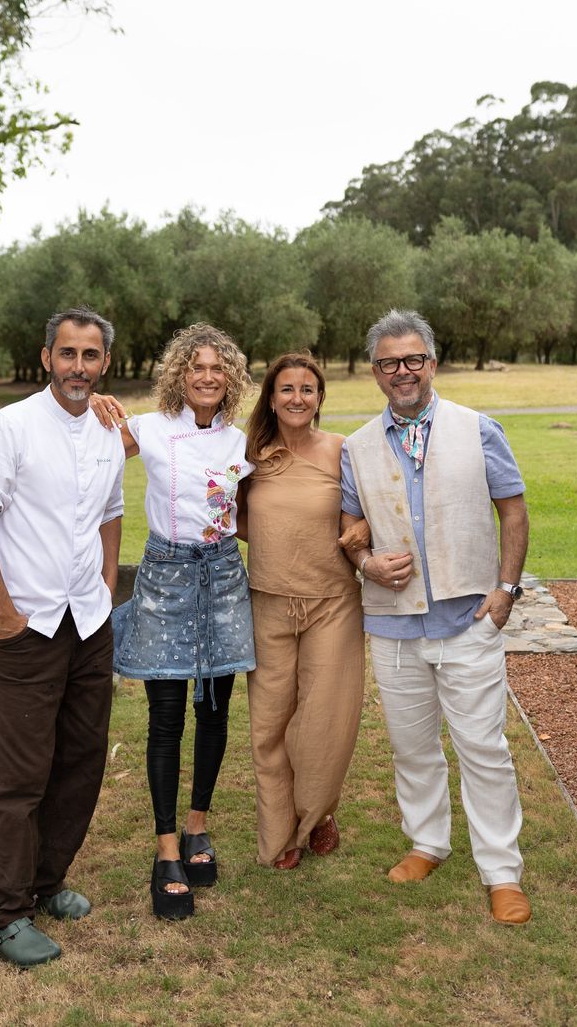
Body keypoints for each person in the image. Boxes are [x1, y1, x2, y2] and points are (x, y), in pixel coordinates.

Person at [339, 308, 531, 925]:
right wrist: (366, 561)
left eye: (414, 359)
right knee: (412, 748)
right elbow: (349, 529)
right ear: (375, 373)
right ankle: (428, 843)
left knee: (483, 748)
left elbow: (514, 511)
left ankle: (502, 871)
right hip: (394, 626)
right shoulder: (357, 446)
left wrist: (505, 589)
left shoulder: (478, 429)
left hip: (468, 619)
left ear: (432, 364)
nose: (404, 371)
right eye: (391, 362)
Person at [0, 307, 125, 967]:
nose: (78, 366)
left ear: (104, 362)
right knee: (16, 778)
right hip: (23, 631)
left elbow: (111, 510)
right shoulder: (10, 428)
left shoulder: (110, 428)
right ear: (46, 356)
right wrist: (2, 612)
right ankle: (4, 911)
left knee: (79, 763)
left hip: (88, 622)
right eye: (67, 354)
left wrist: (107, 584)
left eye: (90, 355)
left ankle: (47, 880)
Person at [92, 324, 255, 920]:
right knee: (166, 719)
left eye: (218, 368)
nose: (207, 377)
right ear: (179, 374)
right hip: (164, 577)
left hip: (223, 578)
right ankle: (165, 852)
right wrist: (95, 403)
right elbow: (85, 442)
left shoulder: (241, 440)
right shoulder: (150, 429)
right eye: (196, 367)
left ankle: (197, 828)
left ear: (230, 378)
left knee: (214, 713)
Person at [239, 353, 368, 870]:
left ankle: (315, 815)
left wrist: (359, 533)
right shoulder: (251, 454)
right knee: (269, 725)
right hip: (267, 602)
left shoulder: (343, 451)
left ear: (319, 399)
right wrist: (278, 541)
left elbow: (363, 515)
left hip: (332, 603)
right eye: (286, 389)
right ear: (271, 397)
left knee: (322, 722)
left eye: (307, 390)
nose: (297, 398)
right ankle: (280, 835)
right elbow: (235, 517)